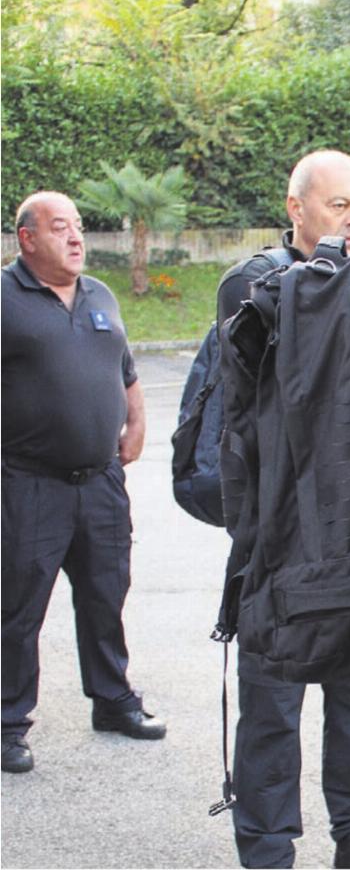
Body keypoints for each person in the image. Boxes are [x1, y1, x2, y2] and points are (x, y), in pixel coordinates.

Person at [216, 151, 350, 870]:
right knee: (273, 700)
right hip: (277, 531)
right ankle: (266, 846)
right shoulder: (257, 287)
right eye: (336, 206)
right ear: (296, 209)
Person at [2, 191, 165, 775]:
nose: (76, 238)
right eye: (59, 228)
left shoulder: (100, 295)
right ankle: (7, 723)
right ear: (27, 238)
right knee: (17, 609)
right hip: (28, 484)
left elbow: (125, 368)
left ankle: (113, 700)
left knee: (105, 595)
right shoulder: (4, 298)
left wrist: (138, 419)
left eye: (77, 227)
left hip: (100, 484)